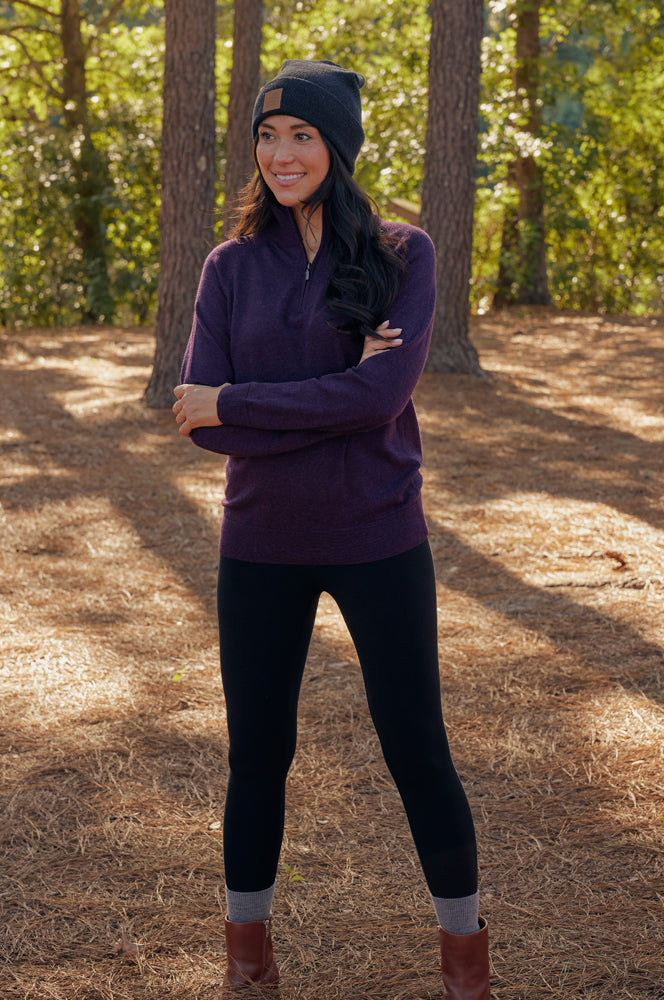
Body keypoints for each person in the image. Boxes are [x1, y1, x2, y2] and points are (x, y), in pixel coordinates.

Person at [172, 59, 490, 1000]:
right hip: (259, 543)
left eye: (301, 136)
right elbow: (203, 426)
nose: (280, 154)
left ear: (337, 147)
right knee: (257, 755)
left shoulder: (402, 253)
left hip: (379, 535)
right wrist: (330, 394)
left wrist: (241, 397)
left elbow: (382, 393)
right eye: (268, 136)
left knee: (416, 748)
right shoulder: (228, 269)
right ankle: (248, 962)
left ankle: (466, 968)